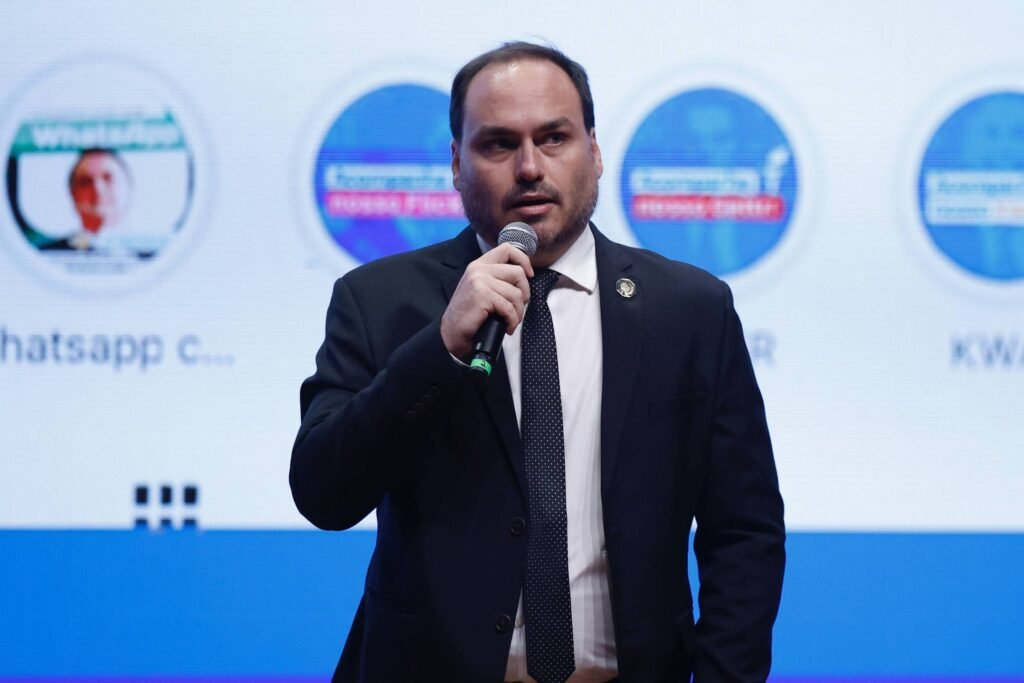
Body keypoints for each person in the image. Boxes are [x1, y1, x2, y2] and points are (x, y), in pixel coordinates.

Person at [291, 41, 785, 683]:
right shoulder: (378, 301)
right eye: (499, 144)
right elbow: (324, 495)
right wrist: (442, 347)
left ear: (595, 152)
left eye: (554, 138)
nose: (529, 167)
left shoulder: (690, 310)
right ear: (456, 164)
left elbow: (744, 531)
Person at [41, 147, 132, 252]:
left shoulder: (145, 250)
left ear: (129, 187)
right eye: (86, 182)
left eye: (107, 178)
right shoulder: (51, 252)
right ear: (73, 194)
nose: (98, 189)